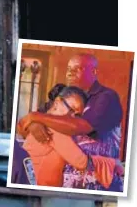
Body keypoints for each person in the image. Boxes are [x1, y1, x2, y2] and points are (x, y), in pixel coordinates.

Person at [17, 54, 124, 191]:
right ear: (57, 103)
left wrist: (37, 118)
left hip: (91, 184)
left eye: (77, 68)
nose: (70, 73)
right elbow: (23, 126)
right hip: (52, 184)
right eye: (69, 68)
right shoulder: (63, 97)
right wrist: (34, 122)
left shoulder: (106, 97)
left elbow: (81, 127)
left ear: (94, 72)